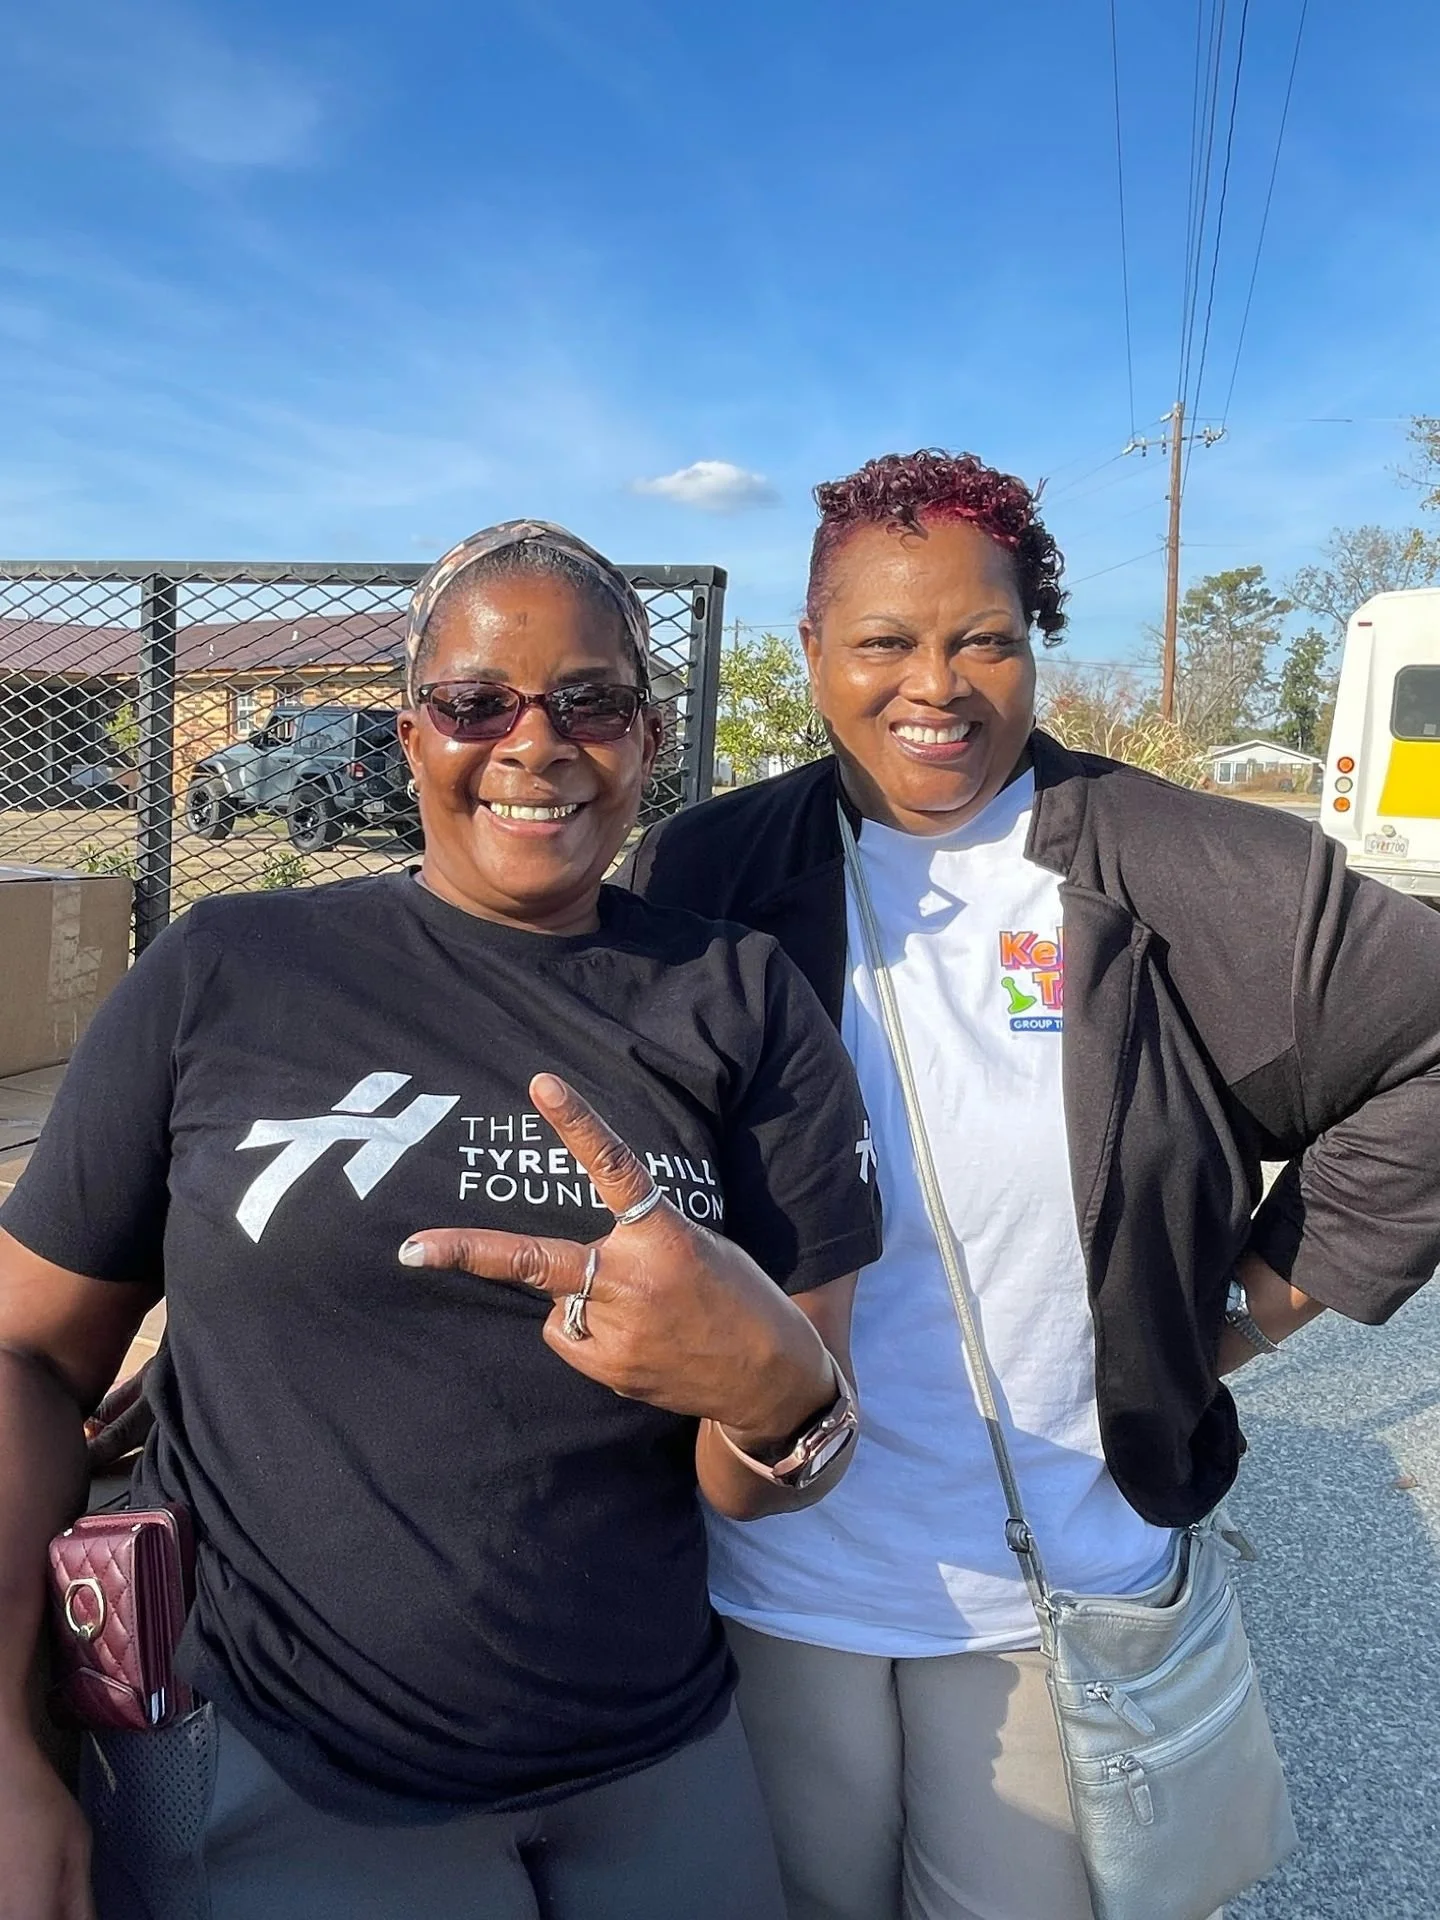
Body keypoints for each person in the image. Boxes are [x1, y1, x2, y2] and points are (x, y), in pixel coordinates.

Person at [0, 521, 880, 1920]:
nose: (534, 743)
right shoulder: (230, 970)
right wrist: (3, 1740)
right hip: (290, 1763)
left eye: (589, 700)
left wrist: (770, 1393)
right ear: (411, 735)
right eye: (478, 702)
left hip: (655, 1760)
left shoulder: (742, 997)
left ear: (648, 739)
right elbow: (30, 1359)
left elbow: (786, 1446)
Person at [623, 450, 1440, 1920]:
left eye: (982, 639)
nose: (934, 685)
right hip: (768, 1570)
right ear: (810, 649)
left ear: (1033, 643)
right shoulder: (709, 872)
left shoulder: (1184, 868)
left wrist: (1238, 1320)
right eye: (882, 640)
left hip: (1052, 1580)